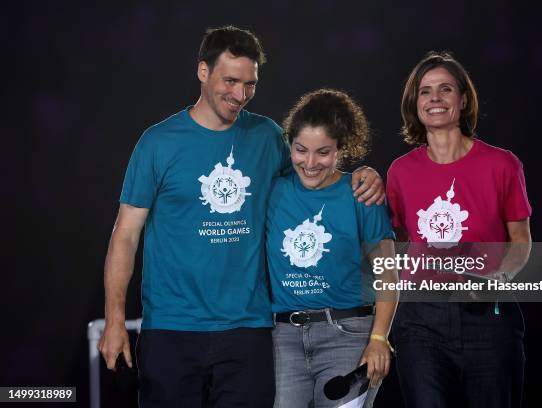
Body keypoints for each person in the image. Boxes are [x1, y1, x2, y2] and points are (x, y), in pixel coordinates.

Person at [97, 26, 385, 408]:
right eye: (230, 81)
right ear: (202, 71)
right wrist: (115, 318)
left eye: (249, 84)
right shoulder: (158, 143)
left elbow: (311, 181)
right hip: (172, 327)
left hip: (249, 330)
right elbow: (125, 235)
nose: (240, 95)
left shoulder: (266, 136)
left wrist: (362, 175)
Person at [387, 51, 532, 408]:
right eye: (425, 91)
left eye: (445, 89)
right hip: (420, 322)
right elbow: (395, 244)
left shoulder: (502, 164)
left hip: (487, 318)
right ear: (414, 102)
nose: (434, 98)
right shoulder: (400, 171)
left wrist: (499, 277)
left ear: (463, 99)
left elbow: (521, 240)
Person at [266, 89, 399, 408]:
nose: (310, 163)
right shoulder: (273, 191)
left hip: (349, 336)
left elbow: (388, 275)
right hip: (283, 340)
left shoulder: (362, 196)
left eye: (323, 152)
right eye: (301, 150)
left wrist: (379, 338)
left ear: (342, 148)